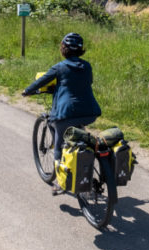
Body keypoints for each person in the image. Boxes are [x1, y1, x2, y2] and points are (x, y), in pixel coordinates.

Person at [22, 32, 101, 194]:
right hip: (89, 111)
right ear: (81, 50)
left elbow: (41, 81)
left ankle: (59, 182)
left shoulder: (59, 67)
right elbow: (85, 82)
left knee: (58, 144)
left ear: (63, 49)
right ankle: (86, 164)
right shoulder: (87, 66)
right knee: (79, 134)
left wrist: (28, 91)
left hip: (66, 113)